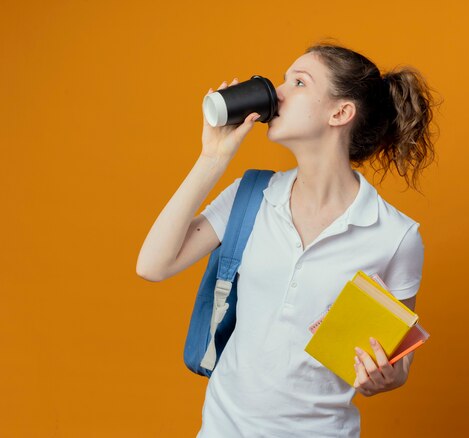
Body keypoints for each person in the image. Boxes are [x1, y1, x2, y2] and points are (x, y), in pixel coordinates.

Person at [136, 41, 437, 437]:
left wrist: (384, 377)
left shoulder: (394, 236)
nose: (277, 92)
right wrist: (212, 158)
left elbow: (399, 365)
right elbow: (152, 266)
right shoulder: (251, 196)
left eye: (298, 82)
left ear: (340, 112)